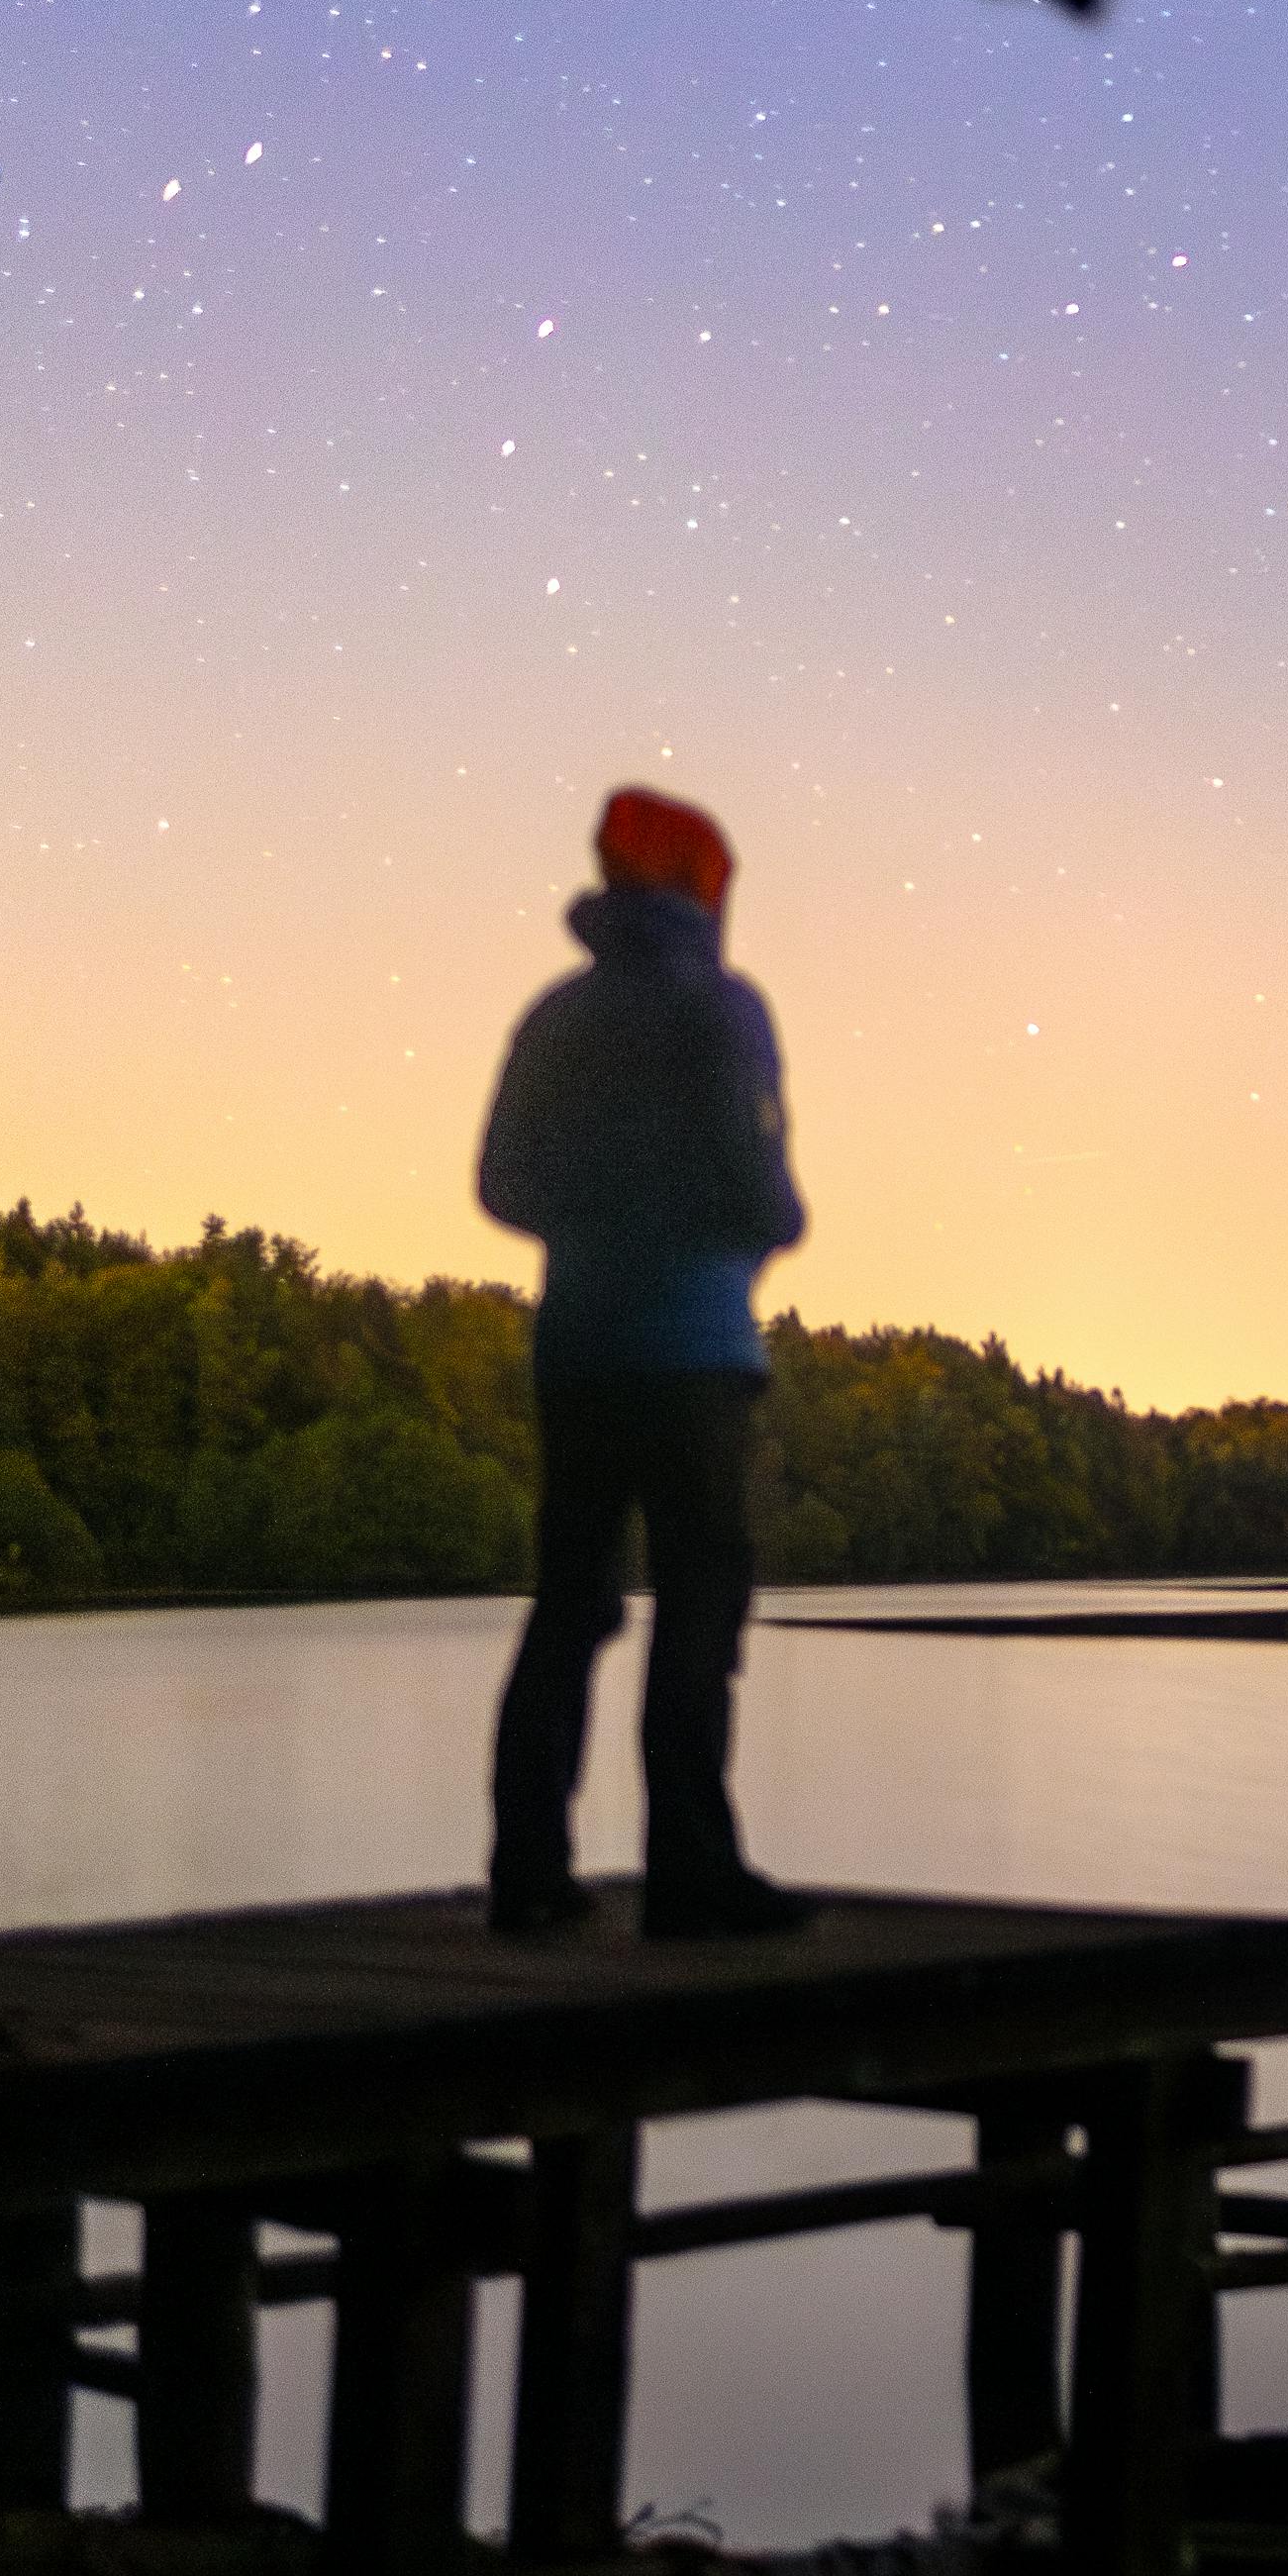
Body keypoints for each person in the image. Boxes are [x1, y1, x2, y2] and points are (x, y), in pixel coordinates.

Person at [475, 785, 818, 1938]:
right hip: (694, 1349)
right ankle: (690, 1873)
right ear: (702, 888)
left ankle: (527, 1869)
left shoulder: (554, 1016)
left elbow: (499, 1183)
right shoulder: (721, 1008)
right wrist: (768, 1223)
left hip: (576, 1345)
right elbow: (753, 1173)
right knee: (698, 1602)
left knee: (569, 1601)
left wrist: (595, 1222)